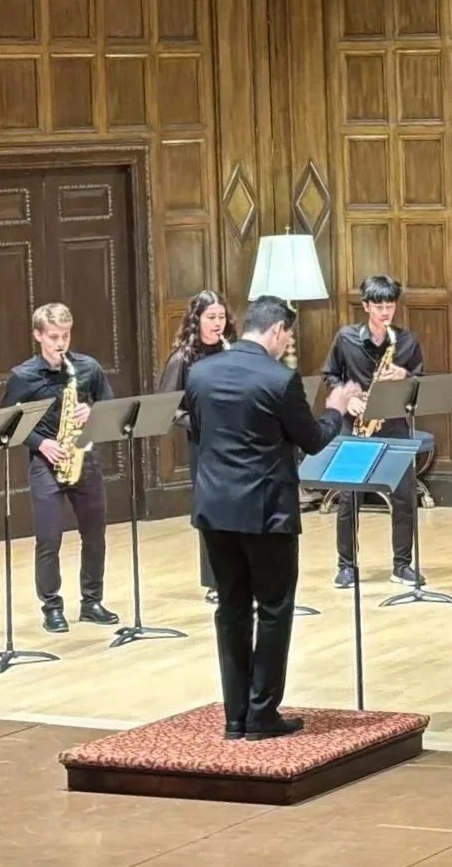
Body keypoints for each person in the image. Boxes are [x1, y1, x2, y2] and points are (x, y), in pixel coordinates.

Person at [183, 295, 359, 740]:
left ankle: (234, 716)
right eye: (288, 336)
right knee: (275, 610)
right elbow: (315, 439)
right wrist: (336, 406)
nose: (286, 344)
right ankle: (262, 715)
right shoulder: (280, 380)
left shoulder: (200, 373)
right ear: (277, 330)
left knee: (231, 610)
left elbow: (201, 434)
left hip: (215, 510)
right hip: (267, 514)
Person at [0, 303, 120, 634]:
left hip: (84, 458)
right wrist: (41, 443)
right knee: (49, 538)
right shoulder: (23, 376)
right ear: (38, 335)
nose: (60, 343)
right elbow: (7, 424)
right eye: (53, 336)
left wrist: (91, 412)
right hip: (46, 462)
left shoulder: (87, 368)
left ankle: (92, 601)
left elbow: (109, 409)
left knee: (95, 534)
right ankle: (52, 606)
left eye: (65, 336)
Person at [323, 275, 434, 588]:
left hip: (394, 425)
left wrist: (406, 376)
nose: (386, 312)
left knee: (403, 496)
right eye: (379, 306)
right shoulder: (346, 338)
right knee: (349, 499)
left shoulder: (407, 341)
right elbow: (330, 375)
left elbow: (419, 385)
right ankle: (346, 566)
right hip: (355, 426)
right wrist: (350, 398)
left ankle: (402, 564)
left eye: (390, 305)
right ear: (366, 306)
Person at [161, 289, 229, 603]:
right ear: (197, 319)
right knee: (212, 511)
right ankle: (216, 581)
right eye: (211, 317)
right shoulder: (183, 359)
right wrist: (199, 422)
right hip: (204, 445)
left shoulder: (233, 352)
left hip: (236, 443)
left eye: (221, 317)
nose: (217, 323)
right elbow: (166, 407)